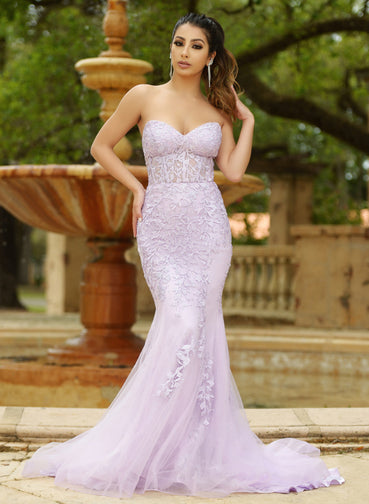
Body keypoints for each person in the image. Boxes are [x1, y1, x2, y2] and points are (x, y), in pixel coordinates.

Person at [22, 13, 344, 498]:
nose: (184, 52)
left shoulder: (217, 112)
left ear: (211, 56)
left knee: (200, 327)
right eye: (179, 42)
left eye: (196, 46)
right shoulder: (142, 96)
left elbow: (233, 173)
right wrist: (135, 187)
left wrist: (248, 119)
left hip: (209, 229)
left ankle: (189, 448)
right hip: (161, 226)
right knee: (182, 323)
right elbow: (101, 146)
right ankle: (147, 445)